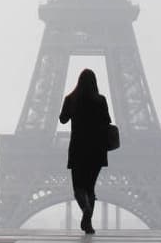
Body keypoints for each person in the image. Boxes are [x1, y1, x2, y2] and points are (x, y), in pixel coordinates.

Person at [59, 69, 111, 234]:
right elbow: (107, 121)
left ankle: (85, 209)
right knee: (90, 188)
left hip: (78, 148)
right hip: (97, 149)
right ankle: (87, 223)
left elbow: (63, 119)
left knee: (78, 188)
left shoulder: (71, 99)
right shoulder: (100, 100)